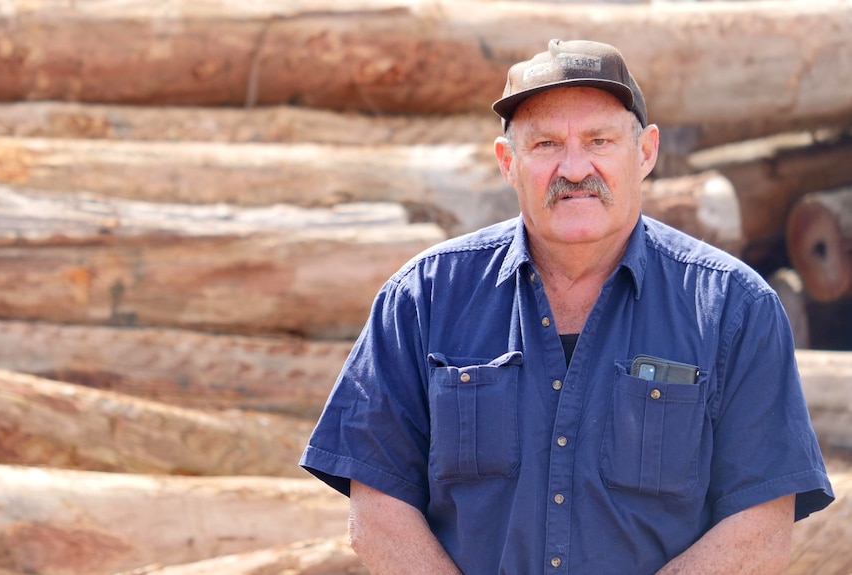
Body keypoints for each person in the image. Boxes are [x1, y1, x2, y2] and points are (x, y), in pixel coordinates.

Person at [299, 39, 834, 574]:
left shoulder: (733, 307)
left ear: (645, 152)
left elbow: (761, 524)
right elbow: (377, 508)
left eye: (599, 140)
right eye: (547, 144)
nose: (575, 168)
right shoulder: (423, 298)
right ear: (508, 162)